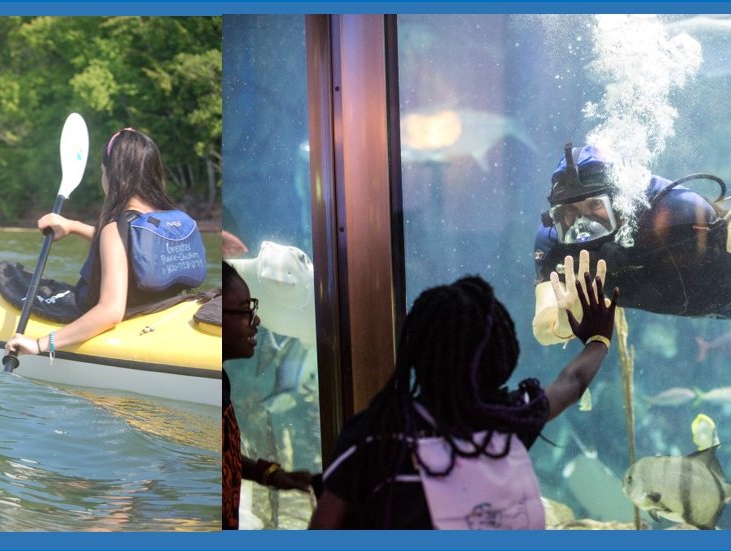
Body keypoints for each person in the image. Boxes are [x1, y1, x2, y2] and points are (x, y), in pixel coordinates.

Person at [309, 260, 616, 529]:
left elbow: (325, 527)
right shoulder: (510, 419)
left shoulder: (376, 436)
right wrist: (598, 337)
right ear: (503, 352)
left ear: (417, 349)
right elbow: (572, 382)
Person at [0, 128, 195, 357]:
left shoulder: (117, 227)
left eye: (103, 171)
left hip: (122, 316)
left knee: (7, 275)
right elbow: (130, 251)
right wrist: (73, 226)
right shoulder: (173, 219)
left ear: (112, 175)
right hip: (164, 309)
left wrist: (41, 344)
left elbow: (110, 312)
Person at [531, 143, 731, 345]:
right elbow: (542, 325)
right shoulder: (554, 241)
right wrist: (563, 326)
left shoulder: (674, 212)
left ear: (619, 202)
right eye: (570, 210)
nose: (583, 224)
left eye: (595, 204)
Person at [221, 263, 314, 530]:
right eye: (244, 310)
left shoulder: (221, 380)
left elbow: (223, 456)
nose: (256, 320)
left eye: (253, 308)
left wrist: (269, 474)